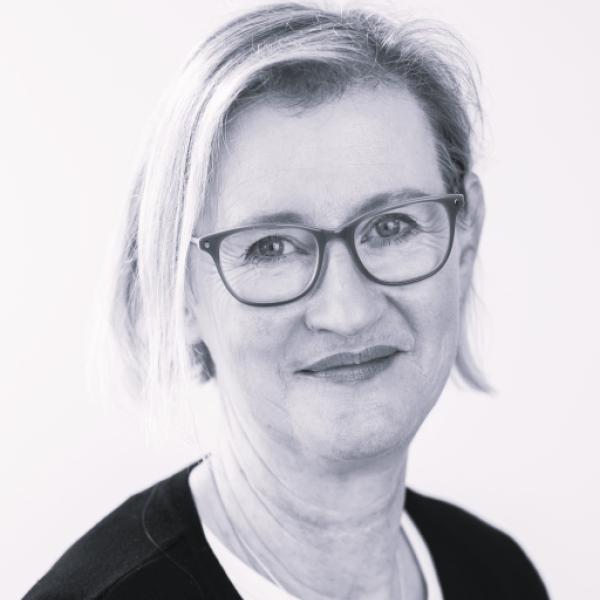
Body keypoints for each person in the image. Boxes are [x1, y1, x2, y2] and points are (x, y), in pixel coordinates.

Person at [25, 3, 549, 599]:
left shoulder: (497, 574)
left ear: (466, 236)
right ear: (180, 292)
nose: (347, 312)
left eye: (392, 227)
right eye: (271, 247)